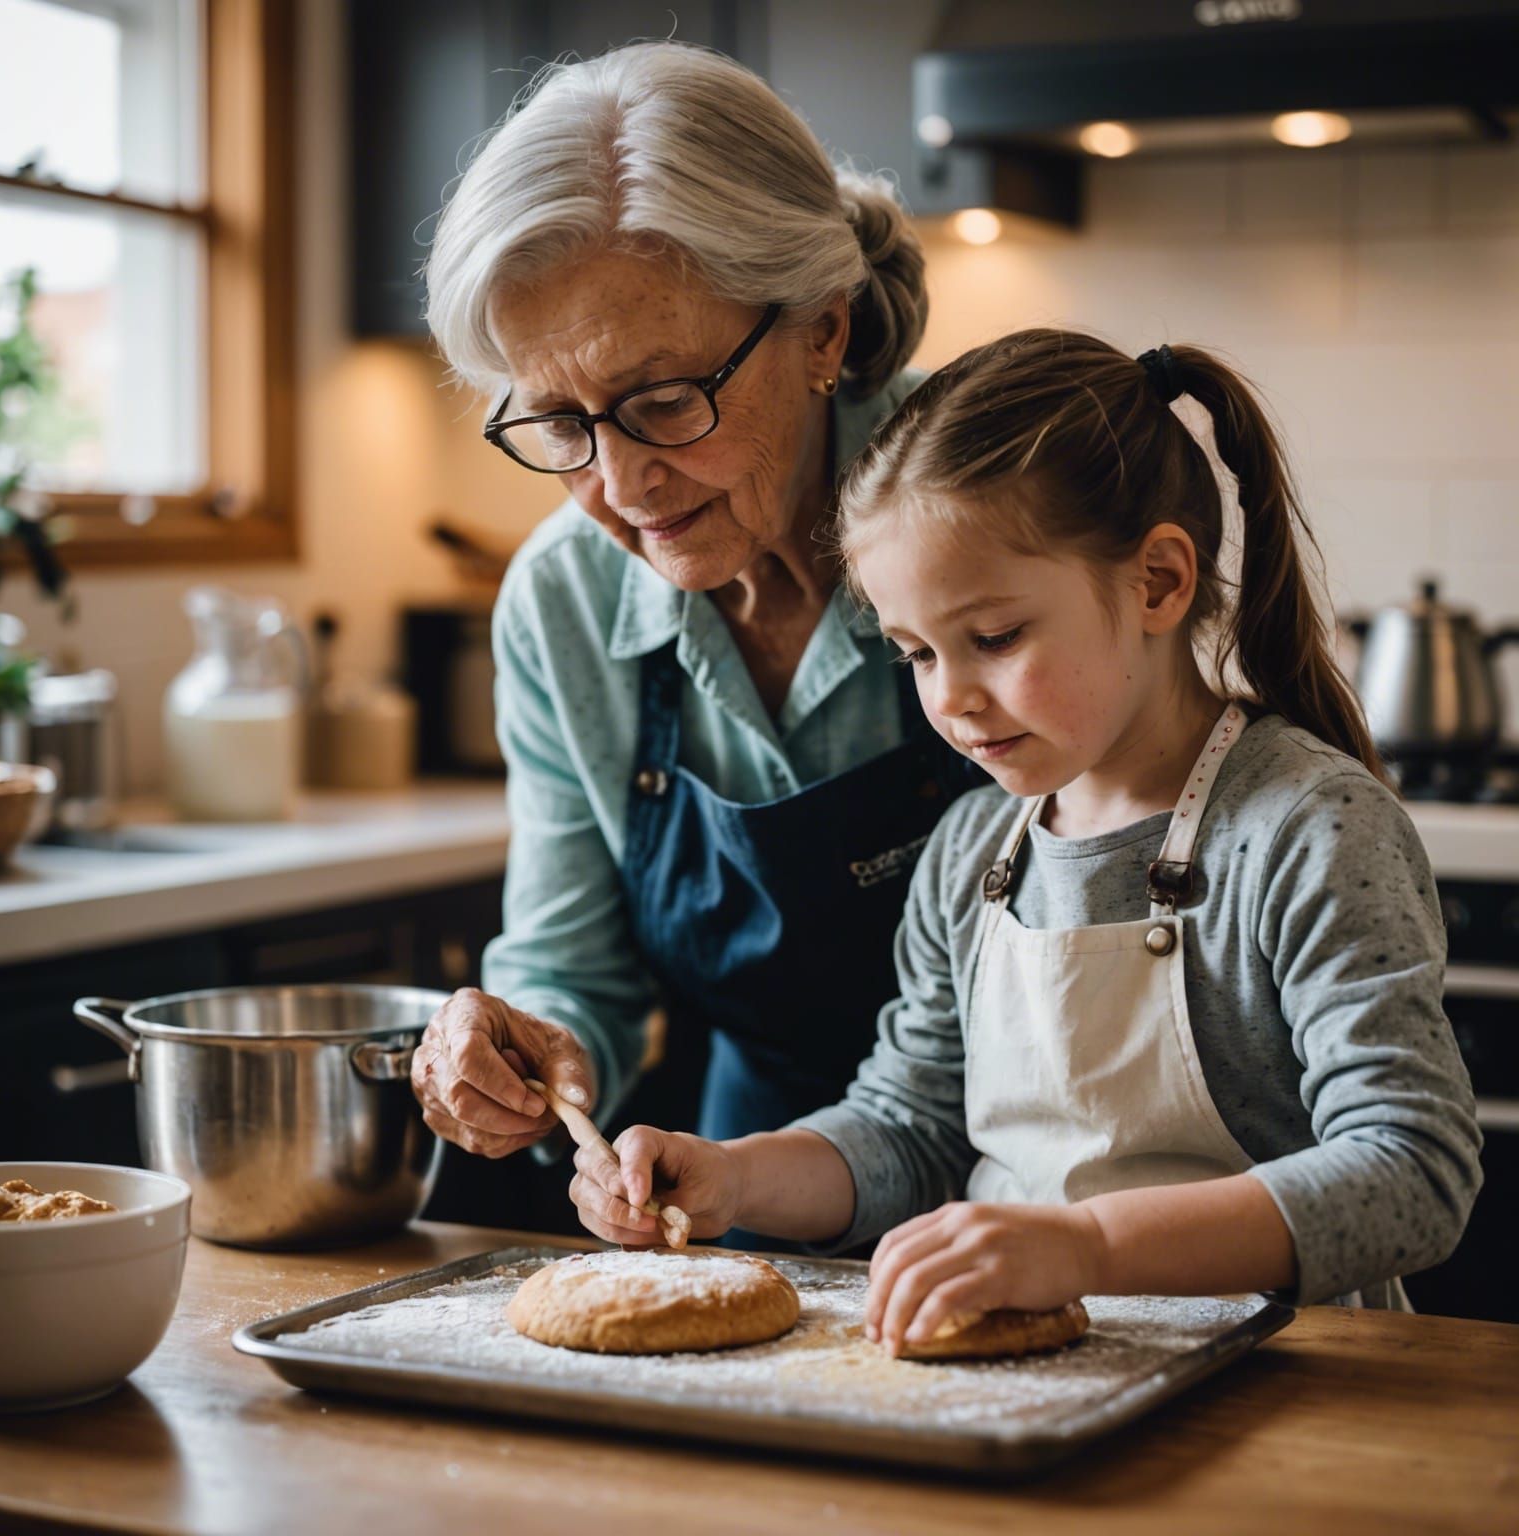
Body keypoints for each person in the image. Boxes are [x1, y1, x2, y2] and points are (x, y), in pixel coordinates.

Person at [566, 328, 1484, 1343]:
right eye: (914, 652)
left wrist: (1086, 1248)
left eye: (995, 638)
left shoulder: (1305, 831)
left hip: (1290, 1396)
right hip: (1036, 1393)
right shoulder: (970, 854)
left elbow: (1413, 1169)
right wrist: (736, 1175)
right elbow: (907, 1132)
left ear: (1159, 583)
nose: (951, 699)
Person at [411, 41, 976, 1224]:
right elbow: (573, 967)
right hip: (746, 1197)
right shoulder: (563, 602)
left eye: (666, 400)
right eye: (561, 422)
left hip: (1064, 1197)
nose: (621, 484)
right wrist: (522, 1049)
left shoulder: (997, 499)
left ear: (823, 332)